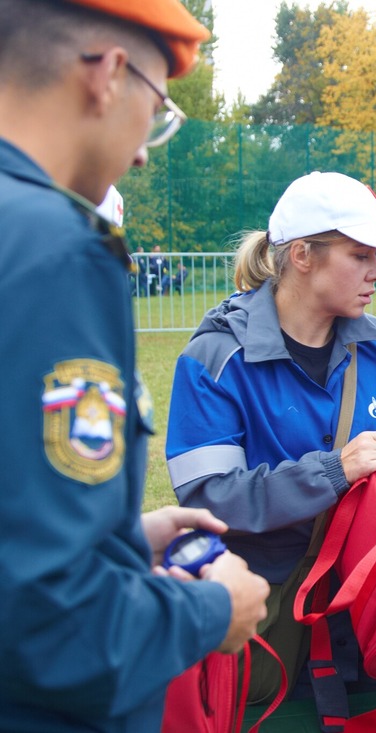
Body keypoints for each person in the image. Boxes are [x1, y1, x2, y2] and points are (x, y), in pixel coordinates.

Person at [0, 1, 270, 730]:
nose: (147, 150)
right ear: (109, 75)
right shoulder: (57, 250)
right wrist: (213, 609)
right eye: (157, 105)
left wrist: (116, 532)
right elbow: (48, 626)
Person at [165, 170, 376, 701]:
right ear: (302, 255)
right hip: (268, 608)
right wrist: (333, 472)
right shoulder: (217, 357)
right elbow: (209, 495)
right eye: (360, 255)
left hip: (373, 606)